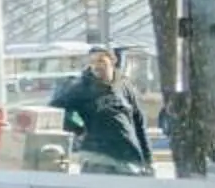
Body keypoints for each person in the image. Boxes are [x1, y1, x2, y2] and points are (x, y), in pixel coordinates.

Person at [50, 47, 152, 176]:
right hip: (98, 156)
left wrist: (148, 160)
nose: (96, 66)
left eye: (101, 61)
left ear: (113, 60)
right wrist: (78, 129)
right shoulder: (81, 87)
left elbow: (139, 124)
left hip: (128, 154)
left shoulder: (125, 86)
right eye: (92, 62)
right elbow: (56, 109)